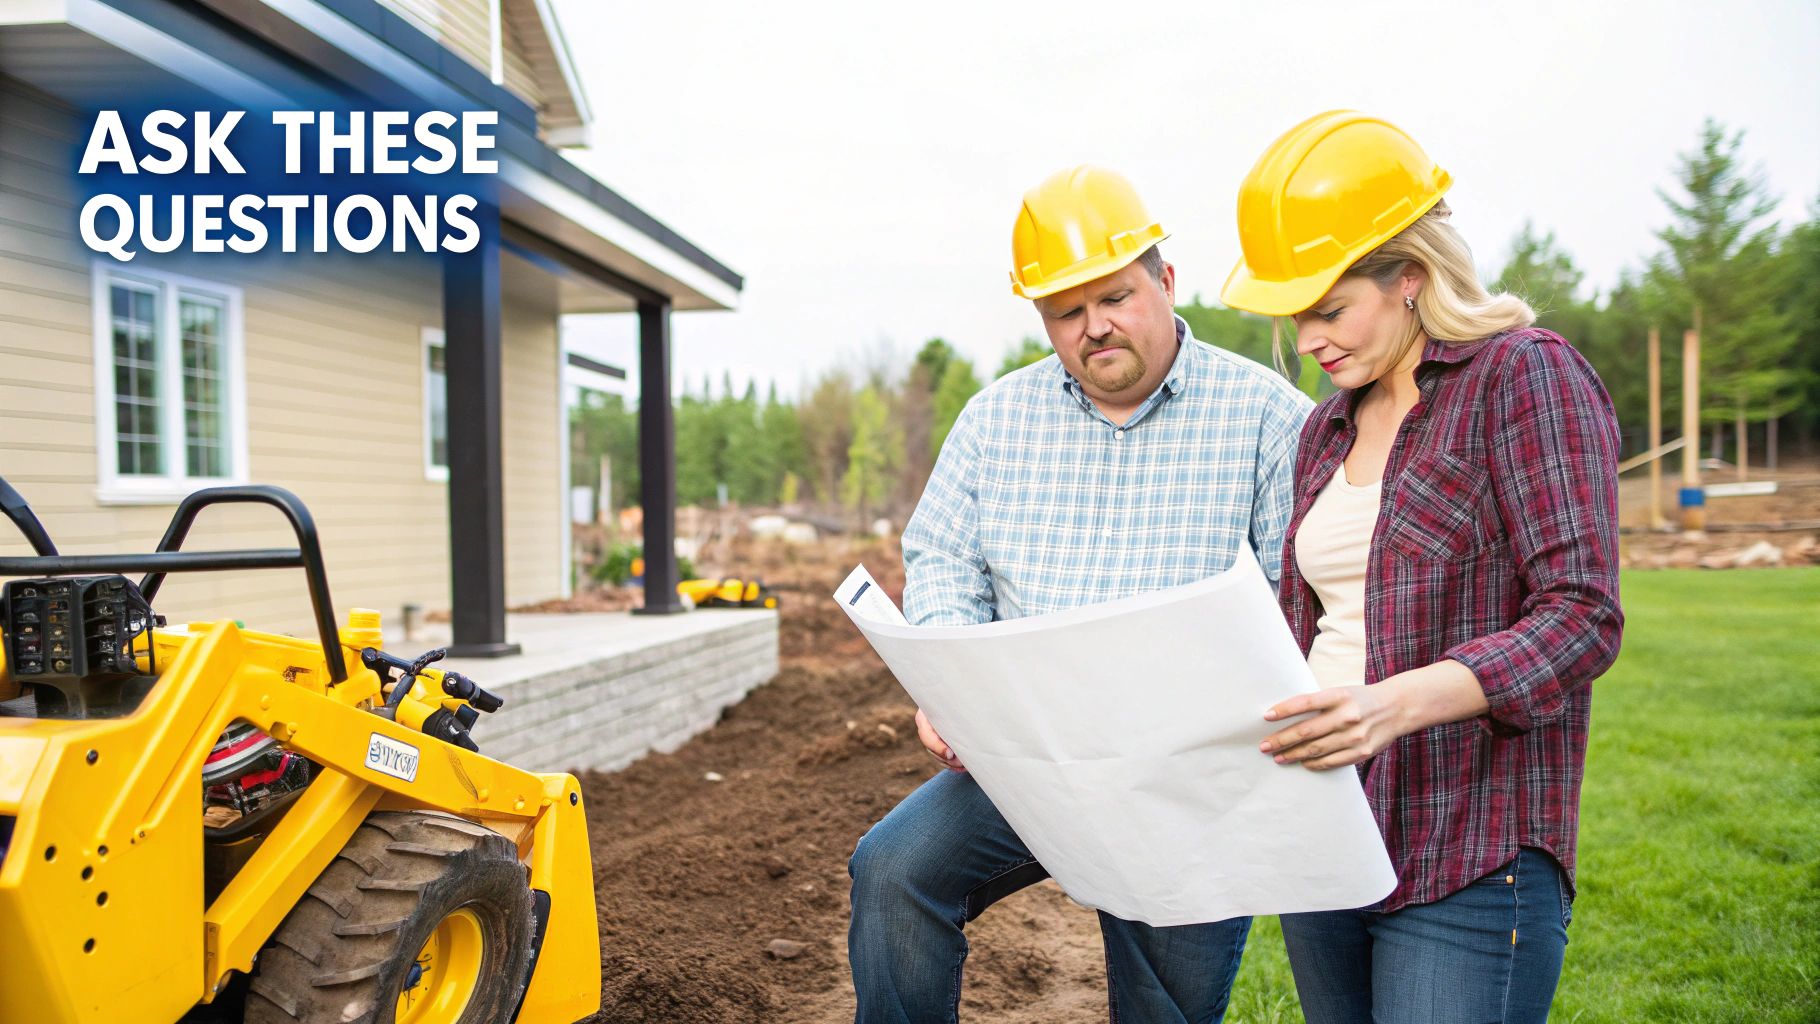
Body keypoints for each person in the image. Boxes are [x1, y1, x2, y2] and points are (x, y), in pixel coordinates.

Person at [845, 166, 1313, 1023]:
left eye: (1116, 297)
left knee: (1160, 1006)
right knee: (894, 870)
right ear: (1043, 321)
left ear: (1166, 283)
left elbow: (1297, 601)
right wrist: (950, 682)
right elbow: (943, 556)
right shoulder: (995, 420)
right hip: (1029, 757)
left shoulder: (1267, 418)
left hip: (1188, 775)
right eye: (1066, 310)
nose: (1094, 326)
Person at [1219, 110, 1624, 1023]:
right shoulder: (1324, 428)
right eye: (1296, 316)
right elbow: (1314, 624)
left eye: (1330, 307)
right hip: (1326, 828)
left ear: (1410, 275)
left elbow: (1582, 615)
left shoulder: (1523, 377)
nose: (1311, 339)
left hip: (1469, 840)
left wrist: (1388, 706)